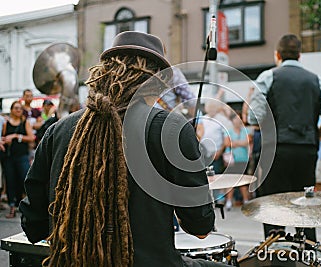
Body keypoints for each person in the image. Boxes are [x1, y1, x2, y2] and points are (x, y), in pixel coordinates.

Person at [20, 31, 225, 267]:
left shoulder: (58, 131)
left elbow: (33, 224)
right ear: (158, 80)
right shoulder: (172, 129)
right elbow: (200, 228)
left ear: (102, 73)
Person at [248, 34, 321, 241]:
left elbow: (253, 117)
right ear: (300, 55)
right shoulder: (316, 80)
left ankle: (275, 248)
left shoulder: (268, 77)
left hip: (276, 150)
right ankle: (307, 248)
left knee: (272, 202)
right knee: (306, 201)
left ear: (277, 55)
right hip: (306, 149)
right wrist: (314, 134)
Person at [2, 101, 35, 218]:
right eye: (16, 108)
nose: (18, 110)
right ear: (11, 110)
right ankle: (12, 207)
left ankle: (28, 205)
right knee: (10, 181)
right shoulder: (6, 123)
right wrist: (7, 140)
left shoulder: (25, 122)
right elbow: (3, 138)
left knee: (25, 179)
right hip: (9, 157)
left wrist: (16, 136)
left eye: (20, 108)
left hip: (22, 156)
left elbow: (31, 137)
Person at [223, 113, 250, 210]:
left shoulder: (245, 131)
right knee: (231, 181)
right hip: (232, 160)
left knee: (243, 181)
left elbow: (247, 141)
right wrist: (240, 143)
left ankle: (246, 200)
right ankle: (229, 201)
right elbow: (227, 143)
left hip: (243, 159)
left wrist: (234, 143)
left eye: (239, 118)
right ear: (232, 121)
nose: (238, 120)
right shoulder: (228, 131)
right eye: (236, 119)